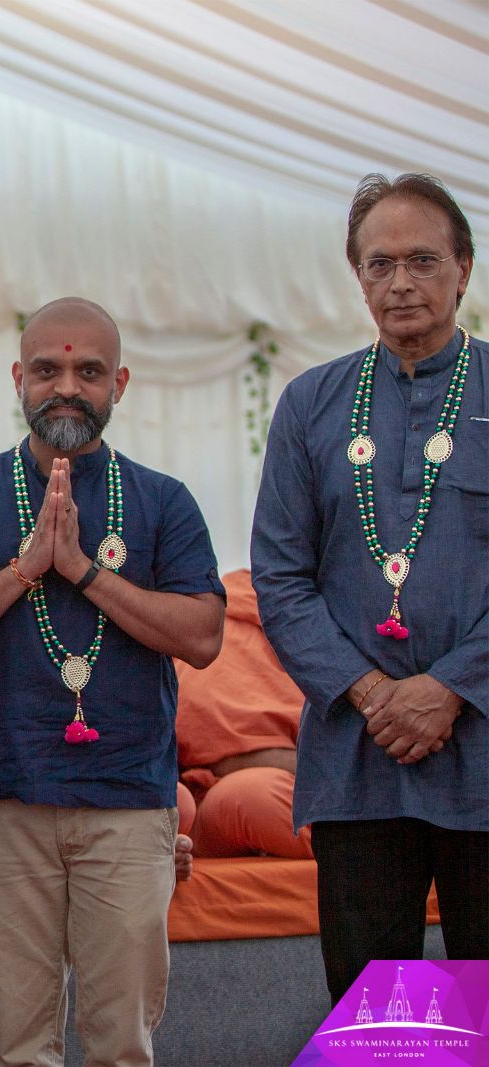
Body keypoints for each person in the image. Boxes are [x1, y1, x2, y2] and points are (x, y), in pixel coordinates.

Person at [0, 297, 225, 1067]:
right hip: (4, 796)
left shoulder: (163, 500)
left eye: (88, 371)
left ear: (120, 383)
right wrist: (24, 569)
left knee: (121, 1047)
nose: (67, 386)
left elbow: (203, 636)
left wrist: (84, 572)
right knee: (20, 1047)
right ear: (18, 378)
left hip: (128, 799)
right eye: (48, 369)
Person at [251, 172, 486, 1004]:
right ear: (358, 278)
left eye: (423, 260)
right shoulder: (311, 403)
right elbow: (279, 577)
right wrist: (373, 693)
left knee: (485, 1004)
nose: (401, 283)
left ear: (464, 267)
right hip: (360, 755)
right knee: (376, 1013)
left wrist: (452, 687)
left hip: (483, 751)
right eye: (379, 264)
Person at [174, 568, 312, 860]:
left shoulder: (368, 622)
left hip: (335, 792)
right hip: (216, 801)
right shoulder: (215, 623)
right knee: (247, 796)